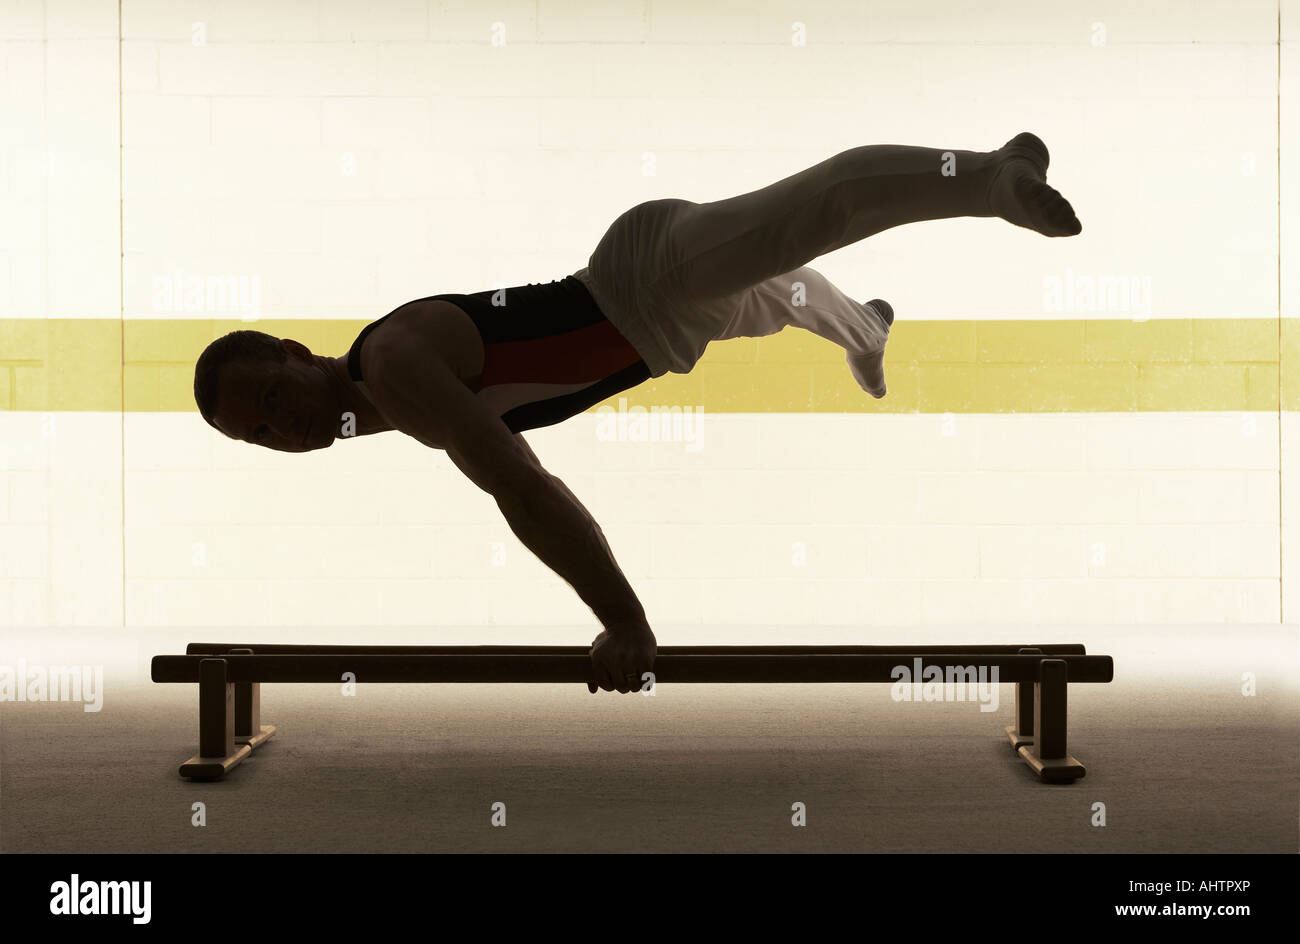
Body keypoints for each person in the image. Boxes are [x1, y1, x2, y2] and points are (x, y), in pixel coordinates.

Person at [193, 131, 1081, 693]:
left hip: (643, 278)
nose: (281, 429)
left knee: (820, 206)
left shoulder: (391, 369)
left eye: (271, 398)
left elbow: (523, 490)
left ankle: (993, 176)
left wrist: (622, 618)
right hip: (664, 334)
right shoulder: (385, 400)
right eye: (258, 433)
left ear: (298, 356)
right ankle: (867, 329)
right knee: (789, 294)